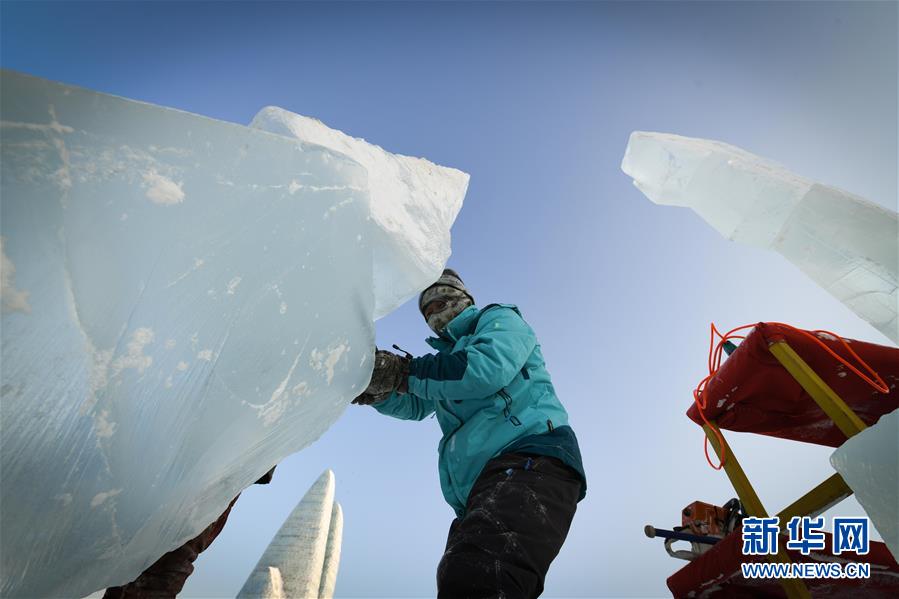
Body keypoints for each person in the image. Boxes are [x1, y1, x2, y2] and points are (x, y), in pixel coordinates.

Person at [353, 268, 586, 599]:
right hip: (486, 482)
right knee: (463, 576)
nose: (435, 315)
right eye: (427, 312)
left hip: (532, 458)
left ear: (463, 298)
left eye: (441, 302)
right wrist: (378, 390)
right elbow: (416, 404)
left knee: (478, 576)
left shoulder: (499, 320)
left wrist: (404, 372)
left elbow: (484, 369)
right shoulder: (446, 363)